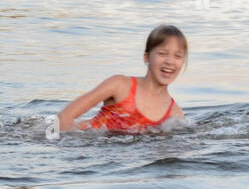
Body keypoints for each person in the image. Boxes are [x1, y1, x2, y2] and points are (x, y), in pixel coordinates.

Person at [56, 24, 188, 132]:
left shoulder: (174, 115)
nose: (170, 61)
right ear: (146, 57)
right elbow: (64, 117)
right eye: (162, 53)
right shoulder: (119, 86)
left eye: (178, 56)